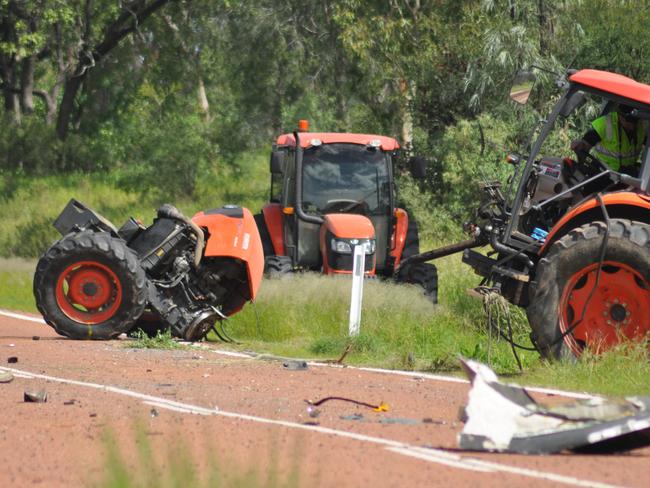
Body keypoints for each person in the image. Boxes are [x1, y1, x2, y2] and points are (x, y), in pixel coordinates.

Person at [571, 104, 648, 175]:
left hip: (630, 175)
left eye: (635, 123)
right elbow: (585, 144)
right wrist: (580, 144)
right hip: (606, 174)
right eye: (629, 123)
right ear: (620, 117)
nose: (632, 127)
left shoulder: (642, 125)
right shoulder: (604, 124)